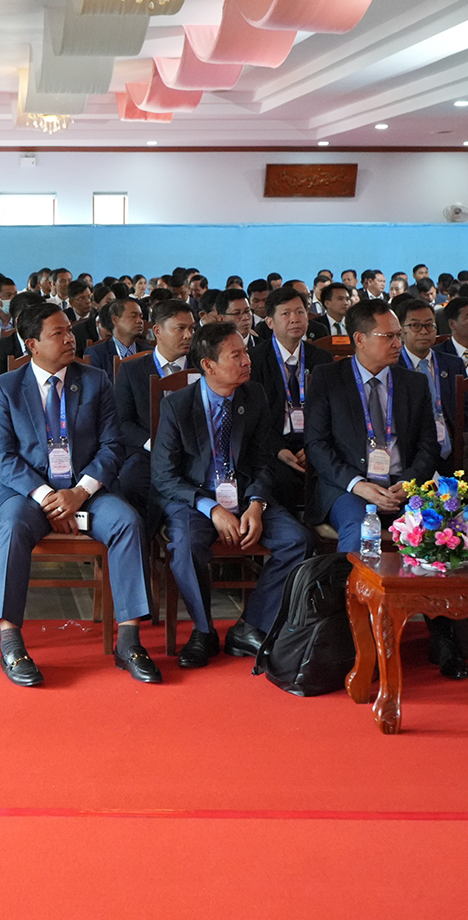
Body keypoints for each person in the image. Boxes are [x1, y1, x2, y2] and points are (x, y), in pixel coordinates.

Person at [0, 303, 155, 687]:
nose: (70, 339)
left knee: (128, 523)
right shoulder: (5, 388)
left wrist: (79, 492)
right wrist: (48, 496)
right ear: (32, 344)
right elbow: (1, 456)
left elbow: (113, 446)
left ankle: (129, 641)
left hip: (86, 490)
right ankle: (11, 642)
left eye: (69, 330)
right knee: (11, 527)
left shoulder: (95, 380)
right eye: (57, 333)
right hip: (24, 492)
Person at [152, 321, 313, 669]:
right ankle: (203, 631)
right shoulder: (177, 406)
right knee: (185, 545)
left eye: (246, 352)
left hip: (245, 496)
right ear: (208, 365)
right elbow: (164, 476)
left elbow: (264, 460)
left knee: (298, 540)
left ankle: (249, 625)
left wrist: (256, 503)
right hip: (195, 500)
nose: (247, 361)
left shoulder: (254, 396)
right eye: (236, 355)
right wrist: (211, 508)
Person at [304, 299, 439, 551]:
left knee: (437, 530)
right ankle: (350, 579)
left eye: (399, 335)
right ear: (360, 339)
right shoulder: (329, 378)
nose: (398, 344)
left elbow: (428, 446)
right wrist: (358, 485)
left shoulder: (414, 383)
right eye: (388, 336)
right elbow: (316, 444)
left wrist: (408, 483)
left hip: (402, 485)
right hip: (349, 487)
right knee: (360, 529)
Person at [113, 298, 197, 535]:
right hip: (147, 451)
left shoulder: (202, 366)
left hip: (195, 451)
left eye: (192, 328)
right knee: (130, 481)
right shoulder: (132, 370)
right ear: (158, 331)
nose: (188, 335)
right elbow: (123, 421)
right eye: (180, 328)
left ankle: (182, 531)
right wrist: (154, 443)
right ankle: (143, 540)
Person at [250, 286, 332, 518]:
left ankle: (321, 526)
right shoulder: (255, 360)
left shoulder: (322, 358)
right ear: (270, 322)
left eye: (300, 312)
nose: (295, 319)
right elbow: (254, 417)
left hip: (314, 442)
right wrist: (278, 449)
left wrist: (313, 445)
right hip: (274, 444)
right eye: (286, 314)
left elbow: (330, 412)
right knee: (280, 479)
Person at [393, 296, 463, 474]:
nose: (424, 331)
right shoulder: (393, 368)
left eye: (429, 325)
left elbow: (467, 408)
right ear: (401, 331)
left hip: (452, 449)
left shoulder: (453, 364)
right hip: (411, 451)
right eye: (415, 325)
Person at [83, 297, 149, 374]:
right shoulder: (97, 353)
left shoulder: (148, 351)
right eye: (133, 316)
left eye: (141, 317)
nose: (140, 321)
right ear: (115, 320)